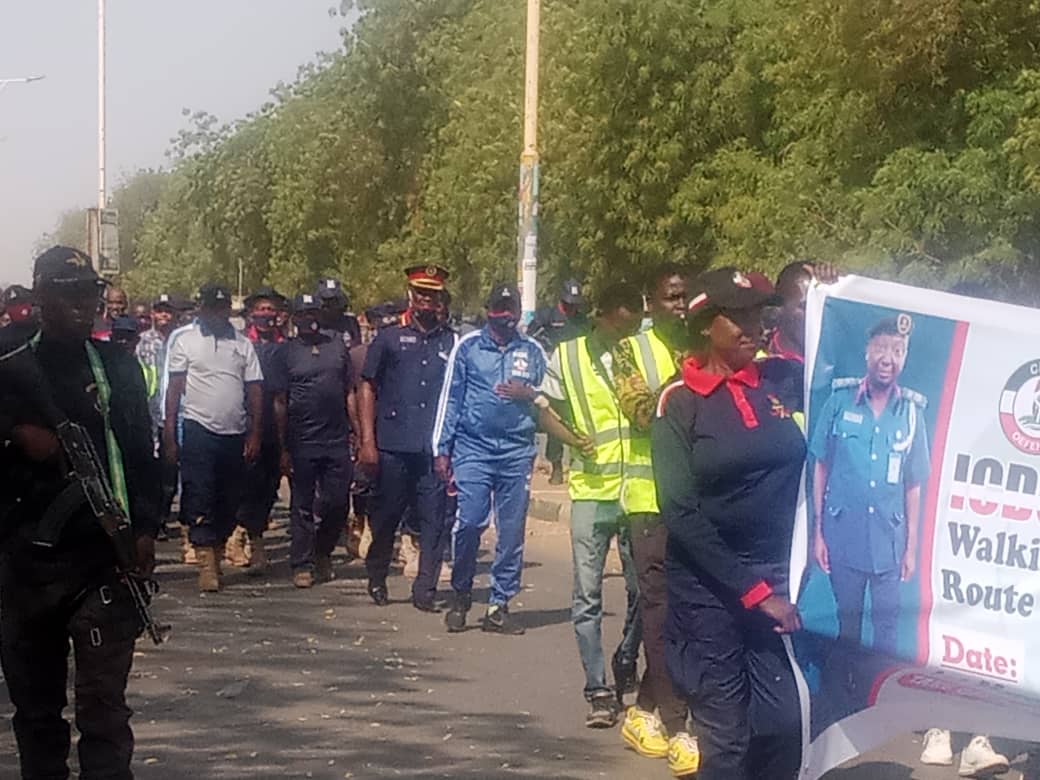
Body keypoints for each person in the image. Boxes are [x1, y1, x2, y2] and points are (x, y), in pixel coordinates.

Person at [0, 246, 160, 779]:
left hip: (103, 564)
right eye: (68, 293)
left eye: (89, 293)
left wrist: (146, 529)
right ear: (40, 296)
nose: (82, 304)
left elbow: (141, 453)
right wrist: (16, 433)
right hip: (26, 568)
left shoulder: (117, 365)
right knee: (38, 715)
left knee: (104, 714)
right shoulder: (9, 361)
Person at [653, 267, 805, 780]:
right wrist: (754, 591)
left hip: (777, 578)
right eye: (736, 316)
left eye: (757, 314)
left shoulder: (782, 379)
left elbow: (850, 359)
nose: (752, 326)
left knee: (785, 723)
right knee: (728, 738)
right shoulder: (679, 401)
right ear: (705, 324)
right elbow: (679, 511)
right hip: (709, 591)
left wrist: (834, 290)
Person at [537, 282, 644, 728]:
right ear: (600, 316)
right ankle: (598, 689)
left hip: (639, 492)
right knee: (587, 596)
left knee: (644, 592)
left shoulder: (642, 354)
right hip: (591, 489)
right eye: (621, 325)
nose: (627, 334)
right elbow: (543, 411)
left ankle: (625, 656)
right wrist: (570, 438)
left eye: (634, 326)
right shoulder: (566, 356)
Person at [610, 264, 699, 774]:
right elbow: (642, 410)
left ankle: (643, 708)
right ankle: (676, 724)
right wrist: (693, 386)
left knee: (685, 611)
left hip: (694, 499)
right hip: (648, 501)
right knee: (660, 611)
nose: (681, 305)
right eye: (671, 298)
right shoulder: (630, 349)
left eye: (686, 296)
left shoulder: (700, 343)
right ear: (652, 302)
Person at [811, 315, 929, 657]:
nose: (887, 358)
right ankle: (845, 695)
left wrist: (910, 548)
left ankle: (880, 694)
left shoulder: (910, 413)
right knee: (847, 626)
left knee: (887, 631)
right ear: (867, 352)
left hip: (888, 546)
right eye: (880, 348)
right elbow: (821, 467)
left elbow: (913, 485)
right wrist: (819, 531)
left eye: (897, 350)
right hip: (843, 536)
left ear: (905, 358)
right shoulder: (840, 402)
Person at [433, 282, 547, 634]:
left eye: (511, 308)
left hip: (516, 452)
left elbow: (555, 395)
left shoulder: (533, 350)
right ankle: (462, 592)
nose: (506, 315)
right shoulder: (467, 347)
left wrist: (529, 393)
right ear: (488, 310)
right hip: (474, 449)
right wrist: (441, 449)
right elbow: (450, 398)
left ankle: (499, 605)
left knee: (511, 531)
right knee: (469, 521)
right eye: (500, 308)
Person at [359, 267, 457, 610]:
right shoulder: (388, 338)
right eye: (421, 293)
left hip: (433, 450)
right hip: (392, 446)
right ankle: (376, 575)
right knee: (386, 517)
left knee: (434, 520)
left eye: (433, 295)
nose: (427, 300)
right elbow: (367, 386)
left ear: (441, 299)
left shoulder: (451, 341)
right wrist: (367, 441)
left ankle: (425, 589)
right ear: (411, 295)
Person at [163, 283, 263, 592]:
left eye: (222, 309)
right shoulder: (185, 341)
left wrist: (255, 432)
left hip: (234, 431)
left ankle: (218, 546)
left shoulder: (242, 343)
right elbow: (174, 388)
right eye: (212, 308)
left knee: (229, 497)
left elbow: (255, 389)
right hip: (198, 429)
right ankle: (206, 561)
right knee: (200, 493)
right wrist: (169, 433)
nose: (217, 314)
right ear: (201, 309)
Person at [268, 292, 356, 588]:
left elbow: (350, 392)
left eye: (313, 313)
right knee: (302, 504)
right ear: (293, 318)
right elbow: (280, 400)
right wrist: (282, 447)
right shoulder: (286, 352)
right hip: (302, 439)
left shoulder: (337, 347)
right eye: (302, 314)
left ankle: (323, 552)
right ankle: (302, 563)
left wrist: (356, 430)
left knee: (337, 502)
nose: (309, 319)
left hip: (337, 438)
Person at [227, 286, 290, 574]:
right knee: (244, 483)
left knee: (269, 484)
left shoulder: (286, 346)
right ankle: (243, 536)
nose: (265, 314)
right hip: (244, 424)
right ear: (250, 313)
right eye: (260, 309)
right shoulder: (239, 344)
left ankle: (253, 533)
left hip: (277, 426)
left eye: (271, 309)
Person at [529, 278, 589, 484]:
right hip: (553, 379)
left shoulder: (583, 322)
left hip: (577, 376)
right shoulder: (546, 316)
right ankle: (555, 466)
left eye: (575, 304)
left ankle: (578, 462)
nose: (571, 308)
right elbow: (530, 340)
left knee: (579, 420)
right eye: (568, 304)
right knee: (555, 421)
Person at [137, 293, 182, 543]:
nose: (164, 315)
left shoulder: (181, 340)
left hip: (173, 412)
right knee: (154, 470)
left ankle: (163, 517)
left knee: (170, 472)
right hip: (150, 412)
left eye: (168, 311)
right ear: (152, 314)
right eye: (160, 311)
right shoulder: (143, 342)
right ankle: (154, 521)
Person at [316, 277, 362, 348]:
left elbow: (357, 346)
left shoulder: (350, 322)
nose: (329, 306)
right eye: (326, 302)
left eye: (333, 302)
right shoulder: (315, 325)